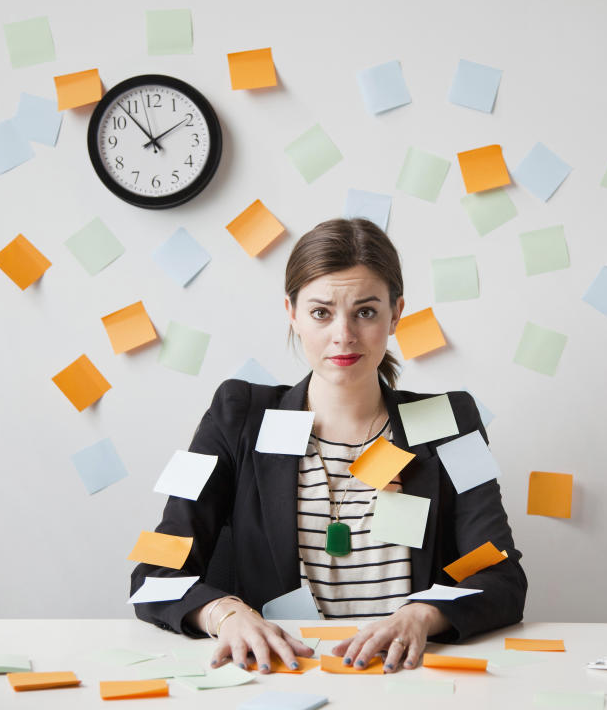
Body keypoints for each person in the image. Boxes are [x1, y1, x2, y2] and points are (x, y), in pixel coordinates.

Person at [131, 218, 526, 674]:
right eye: (321, 312)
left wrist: (421, 615)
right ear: (292, 313)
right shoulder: (237, 413)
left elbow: (502, 578)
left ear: (396, 313)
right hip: (279, 677)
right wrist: (227, 615)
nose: (344, 335)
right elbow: (155, 576)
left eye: (366, 311)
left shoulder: (450, 421)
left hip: (408, 678)